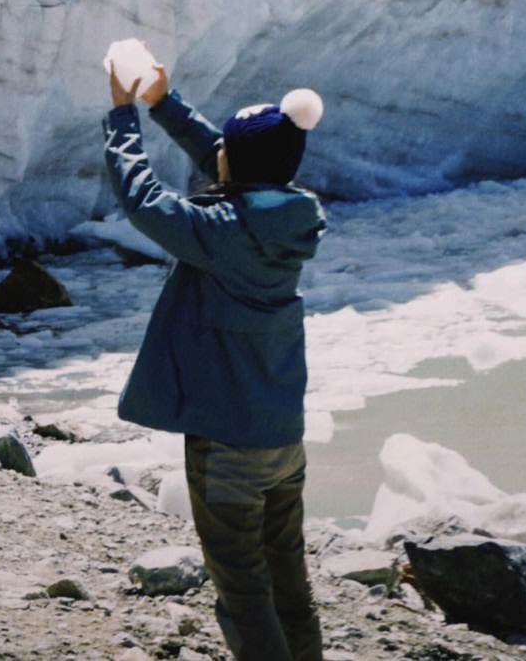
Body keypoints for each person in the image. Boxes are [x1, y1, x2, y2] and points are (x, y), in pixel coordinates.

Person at [103, 52, 326, 661]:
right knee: (289, 587)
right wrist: (165, 105)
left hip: (227, 451)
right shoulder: (287, 219)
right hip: (283, 442)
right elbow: (230, 163)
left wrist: (122, 115)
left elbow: (143, 200)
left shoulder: (221, 231)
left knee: (244, 597)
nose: (217, 156)